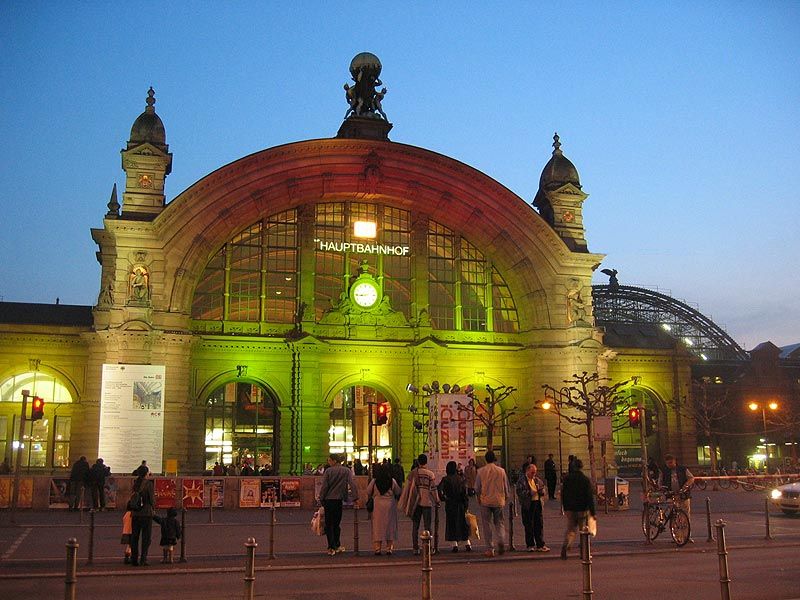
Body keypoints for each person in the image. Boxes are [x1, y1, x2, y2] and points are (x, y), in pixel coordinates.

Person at [318, 453, 359, 556]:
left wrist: (321, 498)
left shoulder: (328, 471)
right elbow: (352, 484)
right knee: (337, 523)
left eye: (329, 460)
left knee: (329, 524)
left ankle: (331, 547)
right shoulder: (346, 471)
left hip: (328, 500)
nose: (328, 462)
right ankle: (337, 545)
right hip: (339, 500)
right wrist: (355, 497)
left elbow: (324, 487)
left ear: (334, 461)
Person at [475, 450, 510, 557]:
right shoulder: (501, 471)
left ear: (485, 459)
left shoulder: (481, 471)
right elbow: (506, 487)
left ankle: (490, 548)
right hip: (499, 500)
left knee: (487, 525)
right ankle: (501, 540)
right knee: (499, 523)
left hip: (485, 500)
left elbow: (477, 488)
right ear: (494, 459)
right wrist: (506, 497)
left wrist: (479, 499)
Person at [560, 458, 595, 560]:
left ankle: (565, 546)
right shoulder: (584, 479)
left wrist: (565, 507)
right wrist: (592, 511)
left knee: (570, 529)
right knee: (583, 531)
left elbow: (563, 494)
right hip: (582, 509)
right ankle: (583, 552)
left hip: (570, 509)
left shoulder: (567, 479)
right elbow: (589, 496)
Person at [406, 453, 438, 556]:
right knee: (427, 526)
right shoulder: (430, 474)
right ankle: (428, 547)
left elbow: (408, 488)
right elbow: (433, 490)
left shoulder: (413, 473)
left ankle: (415, 547)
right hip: (427, 502)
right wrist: (436, 500)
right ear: (426, 462)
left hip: (416, 503)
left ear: (418, 462)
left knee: (415, 526)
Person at [365, 464, 401, 555]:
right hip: (390, 505)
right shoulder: (392, 481)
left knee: (378, 526)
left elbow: (368, 491)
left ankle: (377, 548)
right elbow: (397, 491)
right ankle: (389, 548)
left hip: (378, 505)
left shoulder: (375, 481)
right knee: (390, 526)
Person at [438, 460, 471, 552]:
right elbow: (465, 493)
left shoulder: (446, 479)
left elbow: (439, 490)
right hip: (460, 503)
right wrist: (466, 505)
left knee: (451, 523)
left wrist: (444, 498)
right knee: (462, 523)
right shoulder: (461, 479)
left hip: (450, 503)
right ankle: (467, 543)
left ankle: (454, 544)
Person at [516, 462, 549, 552]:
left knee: (539, 524)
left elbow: (543, 489)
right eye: (532, 472)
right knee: (528, 525)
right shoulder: (522, 481)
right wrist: (530, 493)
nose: (533, 474)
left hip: (537, 503)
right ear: (527, 471)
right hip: (528, 504)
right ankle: (530, 544)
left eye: (535, 472)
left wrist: (541, 491)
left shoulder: (537, 480)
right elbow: (519, 492)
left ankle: (540, 544)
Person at [128, 473, 155, 566]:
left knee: (134, 537)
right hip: (146, 513)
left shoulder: (136, 483)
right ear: (146, 474)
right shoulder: (148, 484)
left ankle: (134, 559)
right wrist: (153, 508)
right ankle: (143, 559)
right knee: (146, 538)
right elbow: (152, 500)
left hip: (135, 513)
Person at [658, 453, 695, 519]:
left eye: (671, 462)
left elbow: (691, 478)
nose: (669, 464)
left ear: (675, 461)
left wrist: (686, 486)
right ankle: (674, 526)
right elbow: (660, 482)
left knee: (685, 513)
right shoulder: (664, 471)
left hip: (683, 494)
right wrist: (661, 488)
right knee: (672, 512)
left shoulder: (682, 469)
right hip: (671, 494)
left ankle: (685, 527)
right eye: (668, 463)